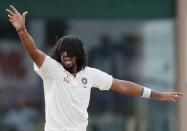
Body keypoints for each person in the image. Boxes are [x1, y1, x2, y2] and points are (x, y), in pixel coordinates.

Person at [6, 5, 184, 131]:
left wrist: (156, 94)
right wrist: (22, 31)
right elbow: (33, 52)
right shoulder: (52, 70)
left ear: (79, 54)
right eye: (63, 53)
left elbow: (121, 85)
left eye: (70, 52)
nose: (66, 56)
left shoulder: (89, 74)